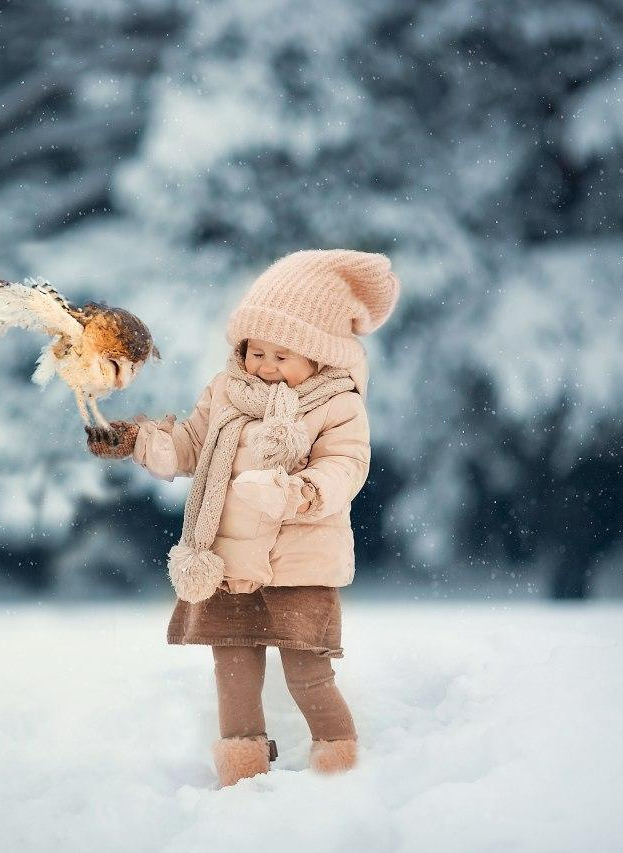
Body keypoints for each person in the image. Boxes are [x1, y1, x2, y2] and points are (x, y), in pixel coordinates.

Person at [85, 249, 401, 787]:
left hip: (300, 562)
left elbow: (346, 466)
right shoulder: (228, 390)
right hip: (226, 559)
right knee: (233, 672)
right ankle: (243, 774)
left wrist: (300, 493)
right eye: (256, 351)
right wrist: (141, 441)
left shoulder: (338, 404)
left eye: (284, 354)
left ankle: (339, 767)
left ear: (321, 355)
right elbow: (189, 445)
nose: (265, 366)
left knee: (308, 673)